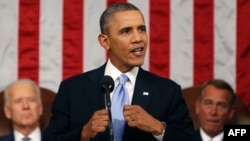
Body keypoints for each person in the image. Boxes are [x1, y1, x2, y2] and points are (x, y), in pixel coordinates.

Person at [42, 2, 198, 141]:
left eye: (141, 29)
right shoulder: (72, 89)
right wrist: (82, 134)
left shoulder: (167, 91)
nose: (138, 38)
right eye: (126, 31)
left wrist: (158, 128)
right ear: (105, 41)